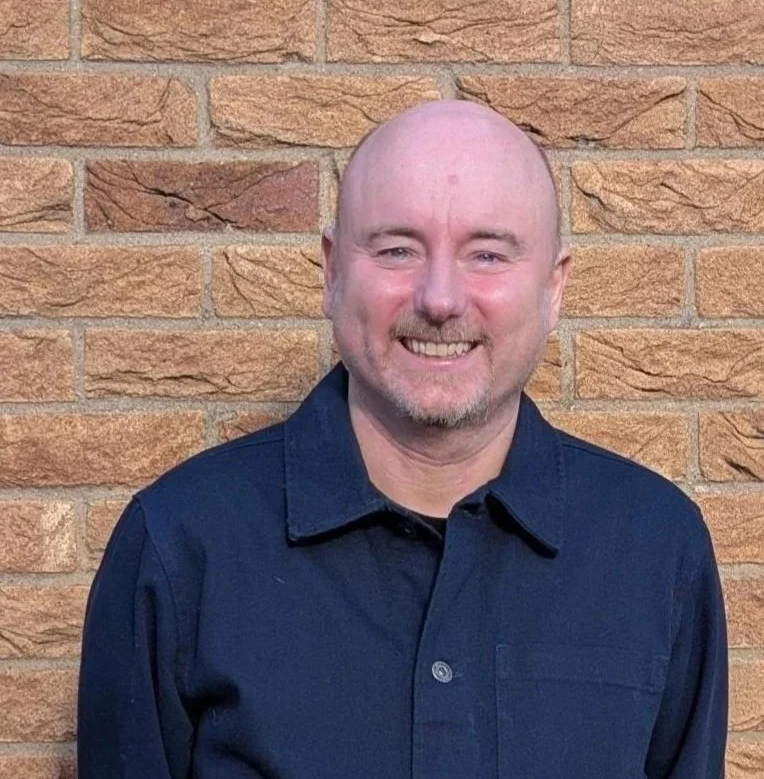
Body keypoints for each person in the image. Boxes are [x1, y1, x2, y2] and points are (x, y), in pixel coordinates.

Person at [77, 99, 728, 778]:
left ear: (553, 285)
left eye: (486, 253)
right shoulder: (182, 545)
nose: (440, 298)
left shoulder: (655, 548)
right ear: (331, 271)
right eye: (396, 249)